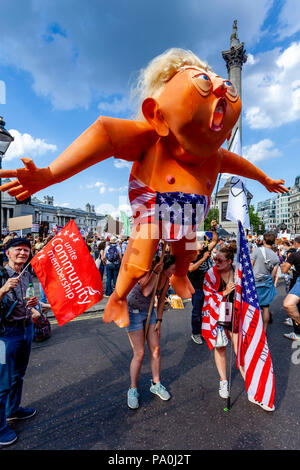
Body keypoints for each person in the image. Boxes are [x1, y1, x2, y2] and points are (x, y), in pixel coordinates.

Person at [0, 238, 39, 446]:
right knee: (1, 383)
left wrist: (34, 305)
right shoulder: (1, 275)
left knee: (18, 376)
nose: (23, 253)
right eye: (18, 250)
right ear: (8, 253)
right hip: (4, 335)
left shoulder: (26, 274)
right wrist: (4, 288)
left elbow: (25, 301)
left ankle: (13, 410)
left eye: (26, 250)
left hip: (25, 329)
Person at [126, 253, 175, 409]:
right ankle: (133, 389)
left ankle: (156, 383)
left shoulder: (167, 279)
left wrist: (159, 320)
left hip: (149, 312)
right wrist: (155, 272)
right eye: (171, 269)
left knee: (156, 349)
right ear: (164, 268)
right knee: (139, 353)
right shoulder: (149, 271)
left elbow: (161, 301)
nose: (173, 273)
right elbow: (146, 291)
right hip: (132, 311)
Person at [202, 244, 244, 401]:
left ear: (229, 261)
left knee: (239, 348)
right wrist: (224, 292)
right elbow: (207, 298)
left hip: (236, 312)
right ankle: (223, 381)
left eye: (219, 260)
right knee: (220, 346)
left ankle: (250, 381)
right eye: (214, 259)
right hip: (218, 314)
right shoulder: (210, 275)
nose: (216, 262)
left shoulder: (238, 271)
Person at [188, 220, 218, 344]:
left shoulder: (206, 249)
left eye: (201, 240)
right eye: (198, 241)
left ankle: (205, 330)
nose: (201, 242)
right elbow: (191, 268)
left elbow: (215, 241)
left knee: (206, 310)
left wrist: (213, 229)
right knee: (197, 311)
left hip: (207, 287)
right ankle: (196, 333)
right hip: (196, 288)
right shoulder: (189, 254)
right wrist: (204, 259)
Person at [250, 232, 280, 332]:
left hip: (254, 281)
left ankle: (255, 330)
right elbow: (273, 274)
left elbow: (251, 266)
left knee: (254, 307)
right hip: (266, 282)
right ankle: (265, 330)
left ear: (263, 241)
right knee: (266, 307)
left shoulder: (257, 251)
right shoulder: (276, 257)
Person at [282, 236, 300, 341]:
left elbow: (285, 270)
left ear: (297, 244)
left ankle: (298, 332)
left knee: (290, 304)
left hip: (296, 279)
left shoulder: (295, 255)